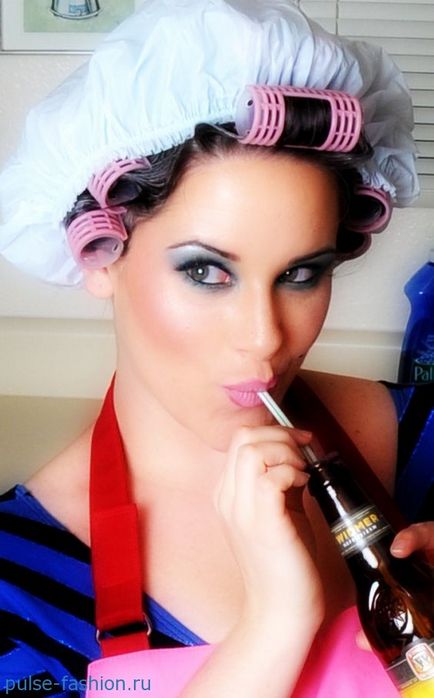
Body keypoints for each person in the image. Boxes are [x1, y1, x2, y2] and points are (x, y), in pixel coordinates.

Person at [0, 1, 433, 696]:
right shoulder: (18, 581)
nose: (265, 337)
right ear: (100, 253)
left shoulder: (422, 443)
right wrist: (276, 622)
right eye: (205, 272)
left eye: (301, 274)